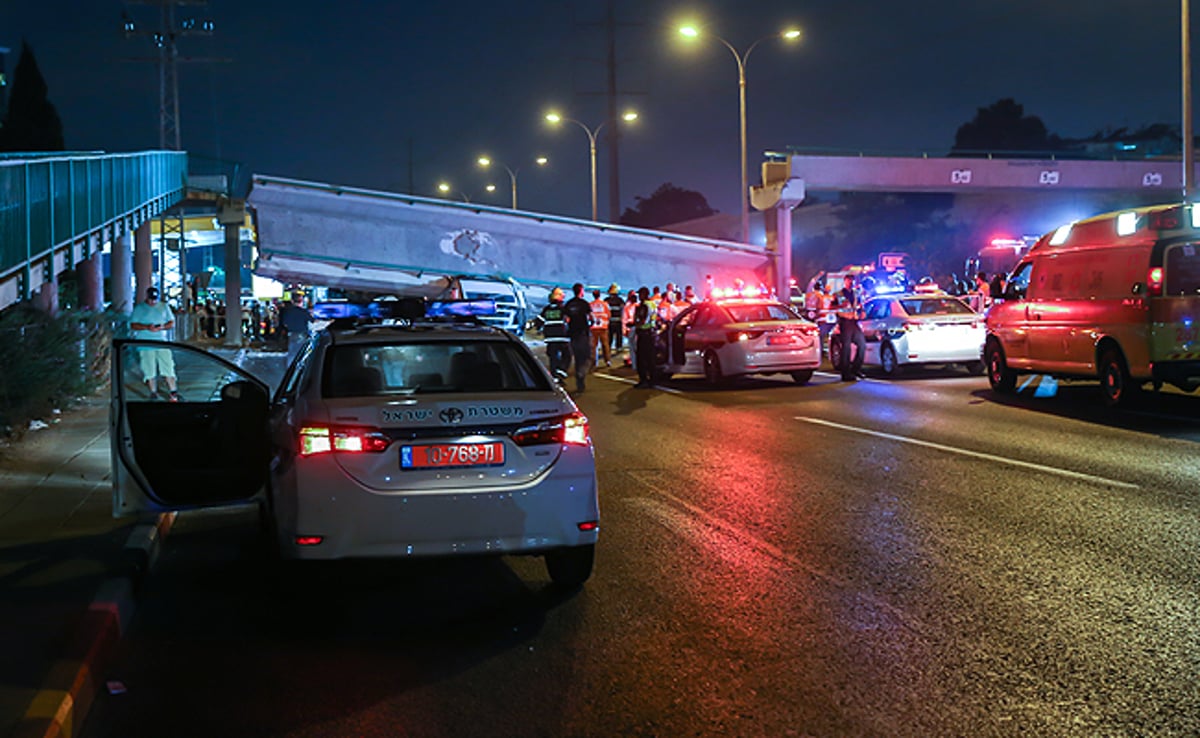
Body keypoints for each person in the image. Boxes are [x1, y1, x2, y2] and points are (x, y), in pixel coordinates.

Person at [129, 286, 180, 401]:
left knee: (168, 367)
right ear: (147, 297)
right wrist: (147, 327)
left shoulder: (164, 306)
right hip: (145, 344)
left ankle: (173, 392)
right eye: (151, 299)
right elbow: (133, 325)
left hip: (161, 342)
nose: (153, 302)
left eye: (155, 299)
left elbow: (171, 322)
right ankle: (153, 393)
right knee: (149, 370)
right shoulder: (139, 308)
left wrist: (162, 327)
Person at [835, 274, 866, 382]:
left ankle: (856, 369)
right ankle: (846, 373)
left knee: (862, 344)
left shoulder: (857, 294)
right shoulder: (838, 294)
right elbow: (832, 307)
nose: (851, 282)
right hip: (845, 322)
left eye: (852, 281)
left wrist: (862, 312)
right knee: (846, 348)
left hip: (854, 322)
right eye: (849, 280)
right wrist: (840, 307)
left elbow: (861, 305)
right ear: (845, 281)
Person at [563, 282, 593, 392]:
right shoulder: (584, 304)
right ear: (581, 291)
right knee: (585, 356)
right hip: (583, 334)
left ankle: (579, 377)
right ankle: (581, 373)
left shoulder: (569, 304)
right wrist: (589, 325)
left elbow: (566, 319)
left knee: (576, 356)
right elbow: (591, 318)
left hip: (573, 334)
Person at [537, 287, 570, 380]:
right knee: (567, 356)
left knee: (553, 357)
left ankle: (555, 376)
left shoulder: (546, 309)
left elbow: (539, 321)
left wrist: (537, 329)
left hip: (550, 337)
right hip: (562, 336)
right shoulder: (564, 308)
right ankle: (561, 371)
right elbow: (569, 320)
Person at [633, 286, 658, 388]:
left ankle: (643, 380)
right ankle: (653, 380)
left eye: (640, 294)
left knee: (641, 358)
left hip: (644, 333)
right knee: (651, 358)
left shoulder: (644, 306)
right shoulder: (653, 304)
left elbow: (641, 320)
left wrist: (635, 323)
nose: (639, 296)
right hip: (651, 333)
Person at [279, 295, 312, 365]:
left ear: (292, 301)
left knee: (292, 352)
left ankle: (291, 368)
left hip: (292, 334)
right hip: (302, 334)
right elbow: (312, 321)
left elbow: (285, 324)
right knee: (303, 352)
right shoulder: (303, 312)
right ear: (301, 302)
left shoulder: (288, 312)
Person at [589, 289, 612, 368]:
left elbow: (589, 316)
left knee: (593, 346)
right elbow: (609, 315)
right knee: (605, 345)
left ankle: (594, 362)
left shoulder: (590, 304)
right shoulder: (605, 304)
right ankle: (608, 360)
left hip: (594, 327)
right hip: (603, 327)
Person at [605, 283, 625, 357]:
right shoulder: (620, 300)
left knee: (609, 337)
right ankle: (618, 348)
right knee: (618, 336)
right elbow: (623, 311)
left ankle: (608, 349)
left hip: (609, 322)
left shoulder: (606, 300)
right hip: (618, 321)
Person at [622, 290, 638, 368]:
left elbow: (624, 319)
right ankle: (636, 364)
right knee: (634, 347)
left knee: (633, 347)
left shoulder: (629, 307)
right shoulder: (637, 306)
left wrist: (624, 329)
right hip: (634, 327)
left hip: (633, 327)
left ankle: (635, 364)